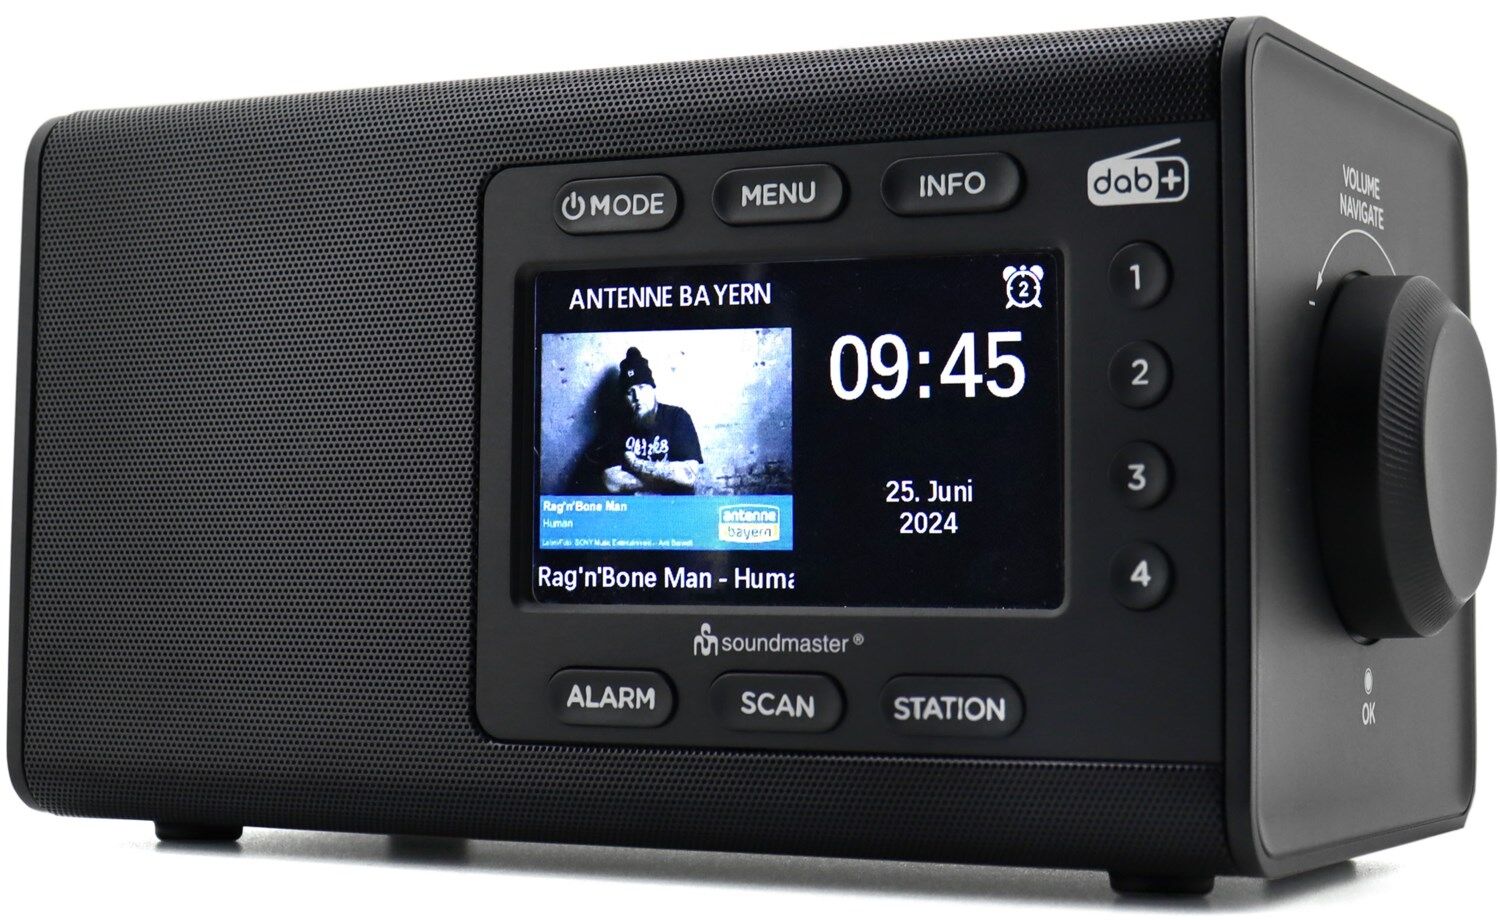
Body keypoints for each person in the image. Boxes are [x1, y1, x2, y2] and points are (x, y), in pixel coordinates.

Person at [587, 347, 703, 495]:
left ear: (653, 388)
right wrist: (665, 481)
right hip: (635, 508)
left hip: (674, 507)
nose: (637, 397)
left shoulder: (677, 417)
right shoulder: (617, 426)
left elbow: (688, 477)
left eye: (642, 387)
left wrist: (636, 464)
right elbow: (611, 481)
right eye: (630, 392)